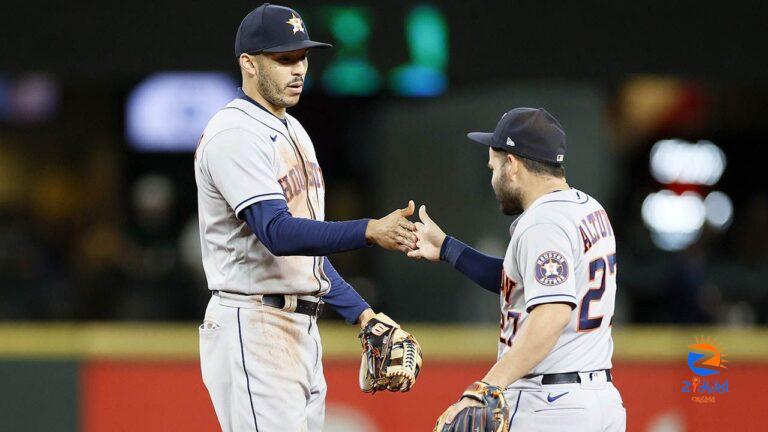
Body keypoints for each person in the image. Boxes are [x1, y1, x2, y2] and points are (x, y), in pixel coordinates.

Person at [193, 4, 418, 431]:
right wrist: (370, 230)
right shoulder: (235, 133)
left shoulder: (292, 129)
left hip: (297, 328)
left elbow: (306, 254)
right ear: (249, 64)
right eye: (283, 59)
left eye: (302, 57)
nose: (298, 69)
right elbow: (278, 233)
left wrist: (363, 314)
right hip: (253, 322)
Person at [408, 108, 626, 431]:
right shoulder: (589, 209)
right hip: (600, 399)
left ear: (512, 165)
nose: (491, 176)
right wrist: (447, 248)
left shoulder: (543, 223)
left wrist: (485, 388)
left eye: (493, 166)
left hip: (551, 404)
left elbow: (550, 315)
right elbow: (525, 282)